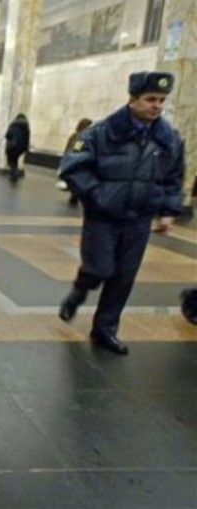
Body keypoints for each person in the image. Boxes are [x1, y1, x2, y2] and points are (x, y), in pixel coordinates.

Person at [58, 71, 184, 355]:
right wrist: (97, 196)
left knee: (123, 278)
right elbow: (73, 167)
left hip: (139, 220)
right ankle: (80, 290)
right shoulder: (101, 133)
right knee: (100, 269)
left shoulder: (169, 139)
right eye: (150, 99)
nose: (157, 106)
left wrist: (168, 210)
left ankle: (105, 329)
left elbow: (174, 177)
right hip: (103, 217)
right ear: (133, 99)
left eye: (161, 100)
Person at [56, 118, 93, 205]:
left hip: (72, 159)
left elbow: (68, 148)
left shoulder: (75, 136)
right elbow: (77, 149)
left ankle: (74, 195)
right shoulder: (83, 137)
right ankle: (74, 196)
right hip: (77, 160)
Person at [4, 113, 30, 182]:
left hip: (13, 146)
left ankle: (14, 173)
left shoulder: (13, 125)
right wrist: (26, 148)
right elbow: (27, 138)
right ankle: (14, 172)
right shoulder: (26, 127)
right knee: (15, 160)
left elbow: (8, 135)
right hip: (21, 147)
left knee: (11, 160)